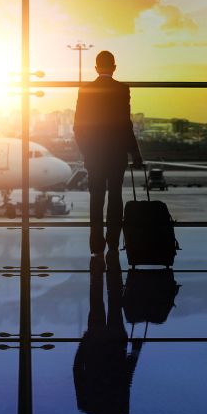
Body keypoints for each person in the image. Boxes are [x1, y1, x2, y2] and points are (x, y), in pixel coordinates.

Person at [74, 50, 143, 266]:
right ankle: (113, 243)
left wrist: (87, 151)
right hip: (116, 154)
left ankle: (96, 246)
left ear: (96, 68)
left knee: (96, 198)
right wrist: (135, 152)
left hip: (94, 155)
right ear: (114, 68)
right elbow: (125, 124)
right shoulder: (122, 89)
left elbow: (78, 126)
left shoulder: (85, 90)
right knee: (115, 197)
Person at [73, 259, 141, 414]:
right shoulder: (86, 406)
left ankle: (112, 264)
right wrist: (84, 343)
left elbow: (126, 376)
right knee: (97, 299)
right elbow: (77, 370)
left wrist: (136, 351)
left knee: (114, 300)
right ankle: (98, 263)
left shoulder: (121, 410)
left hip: (115, 344)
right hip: (96, 343)